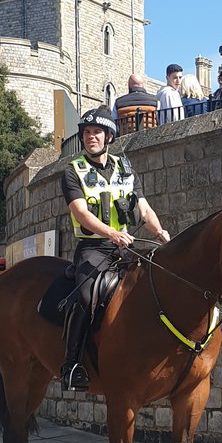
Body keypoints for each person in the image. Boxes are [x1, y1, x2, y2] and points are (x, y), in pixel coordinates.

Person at [60, 108, 170, 390]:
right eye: (86, 133)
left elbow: (143, 207)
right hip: (94, 248)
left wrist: (158, 232)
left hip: (126, 247)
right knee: (85, 297)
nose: (90, 137)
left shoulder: (126, 168)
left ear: (108, 136)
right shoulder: (73, 171)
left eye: (96, 132)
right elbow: (81, 213)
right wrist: (111, 233)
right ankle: (72, 364)